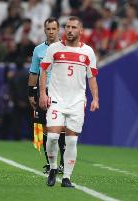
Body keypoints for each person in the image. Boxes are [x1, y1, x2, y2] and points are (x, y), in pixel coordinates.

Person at [39, 16, 99, 188]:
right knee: (52, 137)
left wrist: (95, 98)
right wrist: (43, 94)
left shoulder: (88, 52)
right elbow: (43, 72)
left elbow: (92, 77)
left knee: (71, 141)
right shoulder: (54, 49)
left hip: (77, 102)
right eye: (67, 27)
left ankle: (66, 178)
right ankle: (52, 167)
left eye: (73, 27)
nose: (70, 30)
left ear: (81, 31)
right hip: (56, 99)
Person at [28, 17, 65, 174]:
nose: (51, 32)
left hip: (61, 91)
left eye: (53, 29)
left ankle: (63, 163)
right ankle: (50, 164)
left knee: (61, 128)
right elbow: (33, 72)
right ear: (44, 30)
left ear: (58, 30)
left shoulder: (65, 48)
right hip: (43, 91)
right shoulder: (38, 50)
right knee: (44, 128)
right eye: (48, 29)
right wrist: (31, 94)